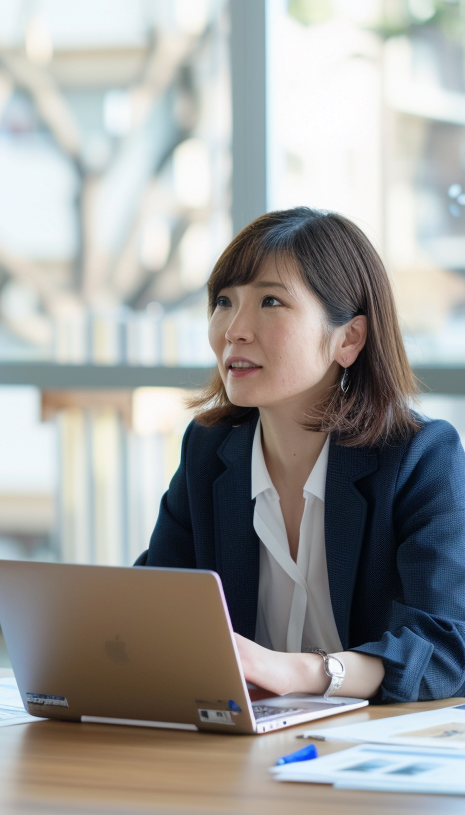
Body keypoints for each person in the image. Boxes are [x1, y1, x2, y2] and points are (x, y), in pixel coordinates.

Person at [142, 207, 465, 704]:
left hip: (374, 738)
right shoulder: (208, 452)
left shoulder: (420, 458)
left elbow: (447, 648)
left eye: (270, 301)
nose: (234, 330)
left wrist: (303, 672)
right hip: (248, 737)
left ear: (349, 338)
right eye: (224, 301)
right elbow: (153, 609)